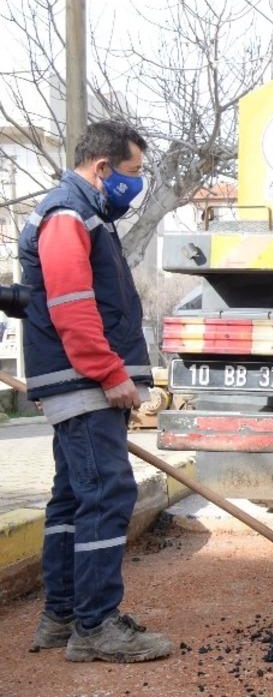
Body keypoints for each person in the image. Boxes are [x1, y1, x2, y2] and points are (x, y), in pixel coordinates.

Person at [21, 121, 171, 662]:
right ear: (103, 167)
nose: (136, 185)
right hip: (85, 383)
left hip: (79, 381)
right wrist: (109, 373)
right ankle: (96, 627)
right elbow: (71, 305)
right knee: (107, 495)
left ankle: (62, 618)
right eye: (133, 172)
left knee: (72, 500)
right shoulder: (69, 214)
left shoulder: (85, 215)